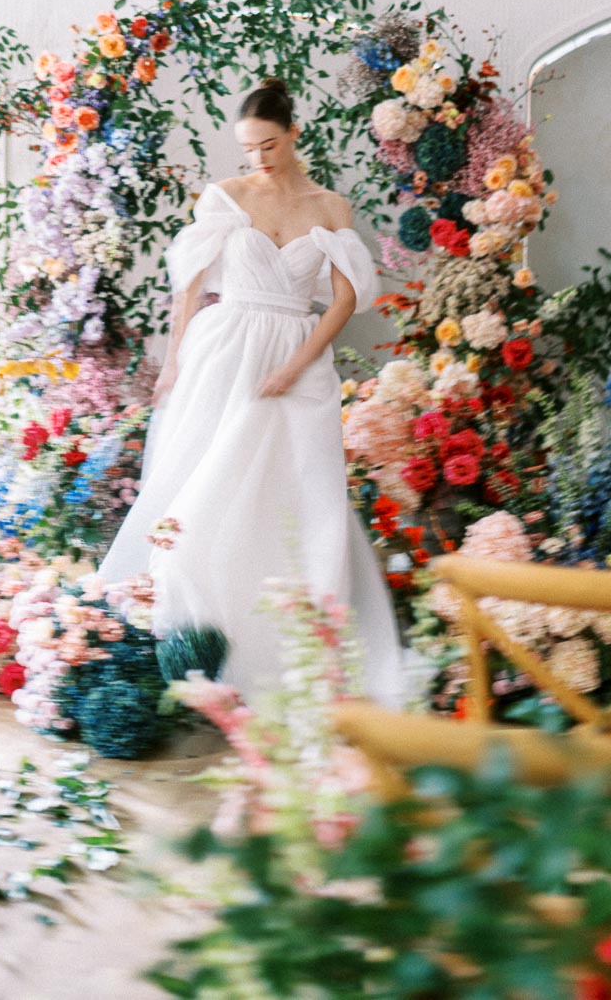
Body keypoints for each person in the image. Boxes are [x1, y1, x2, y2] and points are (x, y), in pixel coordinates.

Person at [95, 77, 406, 706]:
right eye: (247, 150)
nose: (258, 159)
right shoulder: (224, 197)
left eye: (268, 145)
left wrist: (296, 365)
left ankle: (295, 650)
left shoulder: (330, 206)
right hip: (225, 349)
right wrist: (175, 361)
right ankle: (196, 629)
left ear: (293, 134)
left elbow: (345, 300)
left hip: (299, 356)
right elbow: (191, 287)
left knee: (300, 492)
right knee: (206, 480)